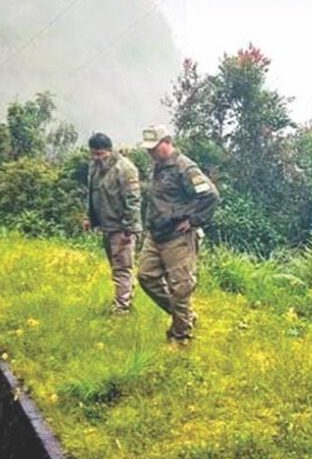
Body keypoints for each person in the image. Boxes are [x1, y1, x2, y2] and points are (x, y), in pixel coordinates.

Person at [138, 125, 219, 344]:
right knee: (146, 276)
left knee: (181, 287)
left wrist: (193, 220)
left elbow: (210, 195)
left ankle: (181, 336)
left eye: (154, 148)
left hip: (177, 237)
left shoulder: (185, 167)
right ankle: (185, 316)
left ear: (167, 142)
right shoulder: (158, 166)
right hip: (156, 234)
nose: (150, 152)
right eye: (148, 149)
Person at [84, 133, 142, 313]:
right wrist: (89, 217)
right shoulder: (94, 167)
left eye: (100, 154)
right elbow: (91, 193)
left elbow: (133, 201)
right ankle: (126, 301)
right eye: (93, 153)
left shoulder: (125, 169)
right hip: (106, 225)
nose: (97, 157)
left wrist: (128, 229)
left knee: (122, 268)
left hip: (122, 228)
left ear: (109, 150)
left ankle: (121, 309)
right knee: (116, 266)